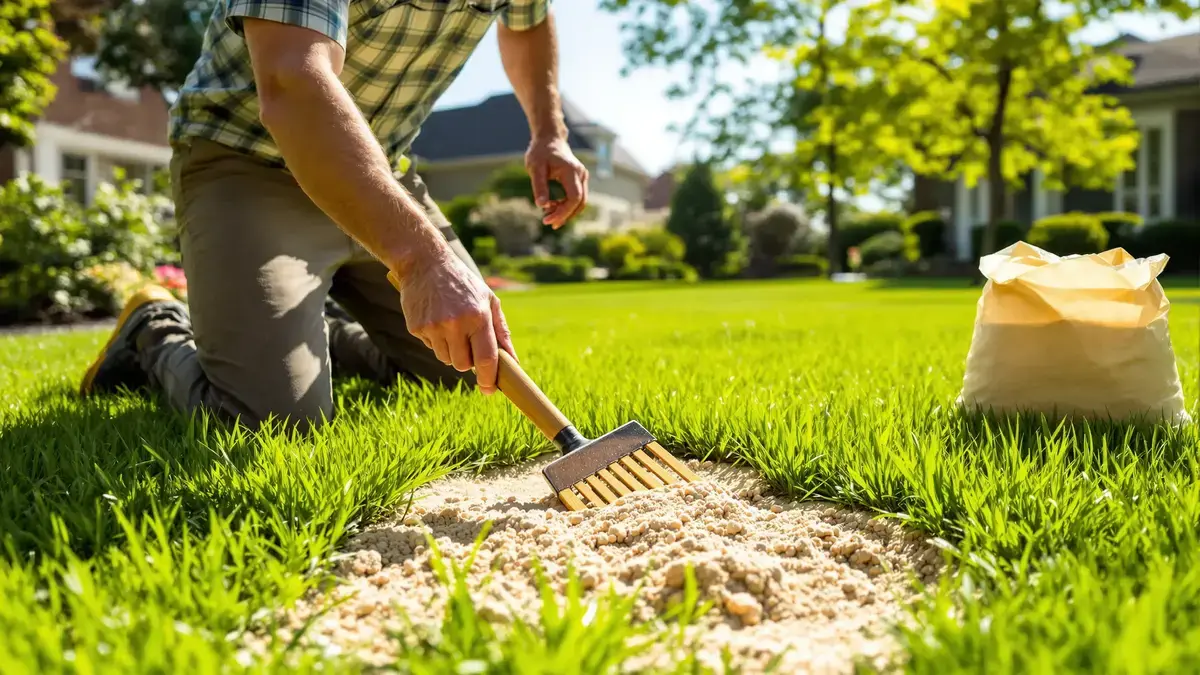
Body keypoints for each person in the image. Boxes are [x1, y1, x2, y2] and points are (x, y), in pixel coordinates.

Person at [78, 0, 589, 432]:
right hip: (247, 160)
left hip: (380, 174)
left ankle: (320, 327)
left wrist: (550, 132)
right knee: (271, 421)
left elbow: (529, 18)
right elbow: (291, 81)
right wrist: (422, 260)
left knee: (472, 365)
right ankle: (156, 326)